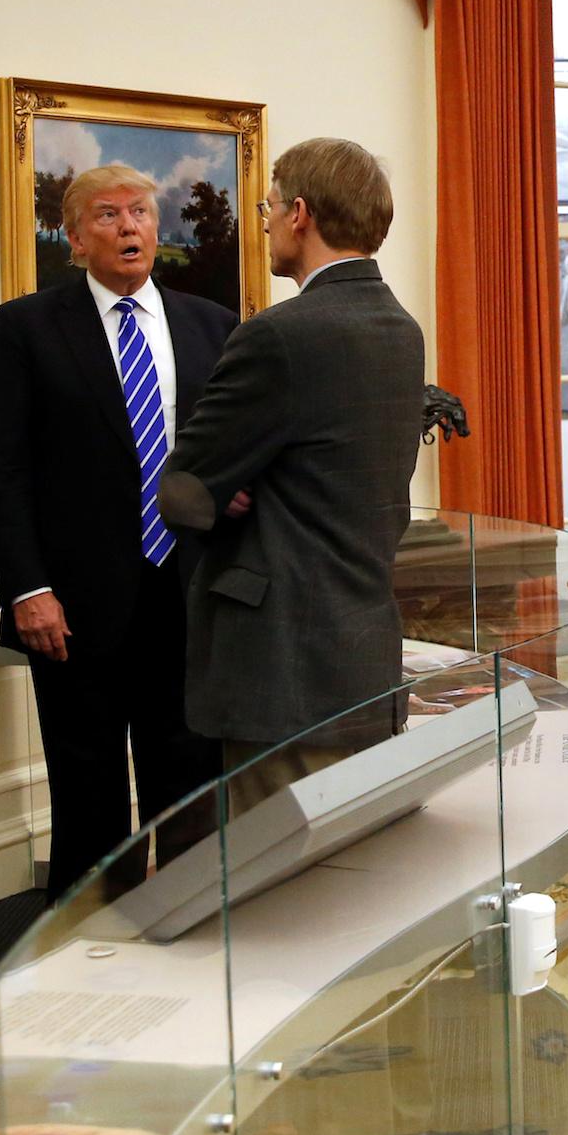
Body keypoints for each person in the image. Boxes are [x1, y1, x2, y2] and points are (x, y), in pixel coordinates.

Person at [0, 165, 236, 898]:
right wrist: (27, 587)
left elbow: (229, 451)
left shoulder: (211, 325)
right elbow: (4, 471)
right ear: (75, 237)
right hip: (71, 612)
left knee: (188, 790)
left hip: (187, 596)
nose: (129, 226)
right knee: (88, 798)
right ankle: (84, 957)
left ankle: (187, 939)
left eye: (142, 212)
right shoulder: (27, 327)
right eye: (109, 214)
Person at [157, 138, 424, 812]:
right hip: (363, 656)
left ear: (300, 213)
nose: (266, 220)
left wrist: (230, 491)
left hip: (278, 674)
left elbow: (183, 493)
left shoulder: (278, 334)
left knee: (272, 896)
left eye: (269, 205)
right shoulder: (401, 326)